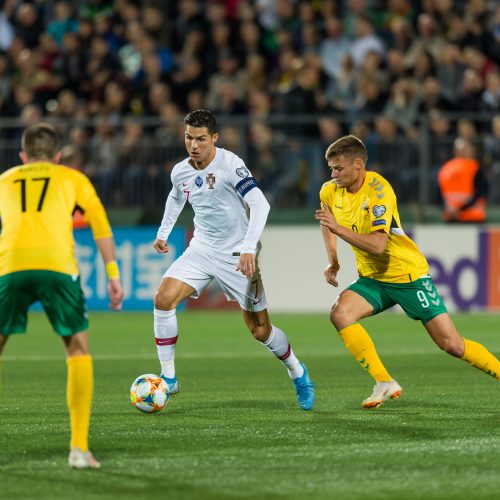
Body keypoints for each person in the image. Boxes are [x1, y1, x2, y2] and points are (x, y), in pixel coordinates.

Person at [314, 135, 499, 409]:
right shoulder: (330, 190)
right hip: (374, 279)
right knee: (340, 313)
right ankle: (384, 382)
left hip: (406, 276)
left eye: (338, 168)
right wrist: (333, 260)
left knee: (452, 345)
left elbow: (378, 245)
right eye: (331, 168)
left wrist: (338, 228)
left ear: (358, 164)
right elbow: (326, 222)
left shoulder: (379, 191)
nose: (333, 174)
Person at [152, 109, 315, 411]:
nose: (194, 145)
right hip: (201, 249)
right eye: (189, 138)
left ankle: (297, 371)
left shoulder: (230, 165)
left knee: (260, 331)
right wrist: (164, 232)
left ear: (214, 138)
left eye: (201, 139)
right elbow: (176, 197)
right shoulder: (181, 171)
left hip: (236, 255)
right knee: (163, 300)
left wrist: (249, 247)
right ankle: (169, 378)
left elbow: (259, 203)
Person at [0, 123, 124, 468]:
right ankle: (79, 450)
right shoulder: (72, 178)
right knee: (77, 349)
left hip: (10, 267)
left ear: (23, 156)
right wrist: (113, 276)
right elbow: (101, 225)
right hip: (57, 266)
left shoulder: (5, 179)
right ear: (57, 156)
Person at [437, 138, 488, 223]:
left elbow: (479, 192)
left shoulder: (446, 168)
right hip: (460, 217)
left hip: (468, 217)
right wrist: (455, 209)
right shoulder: (475, 167)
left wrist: (452, 209)